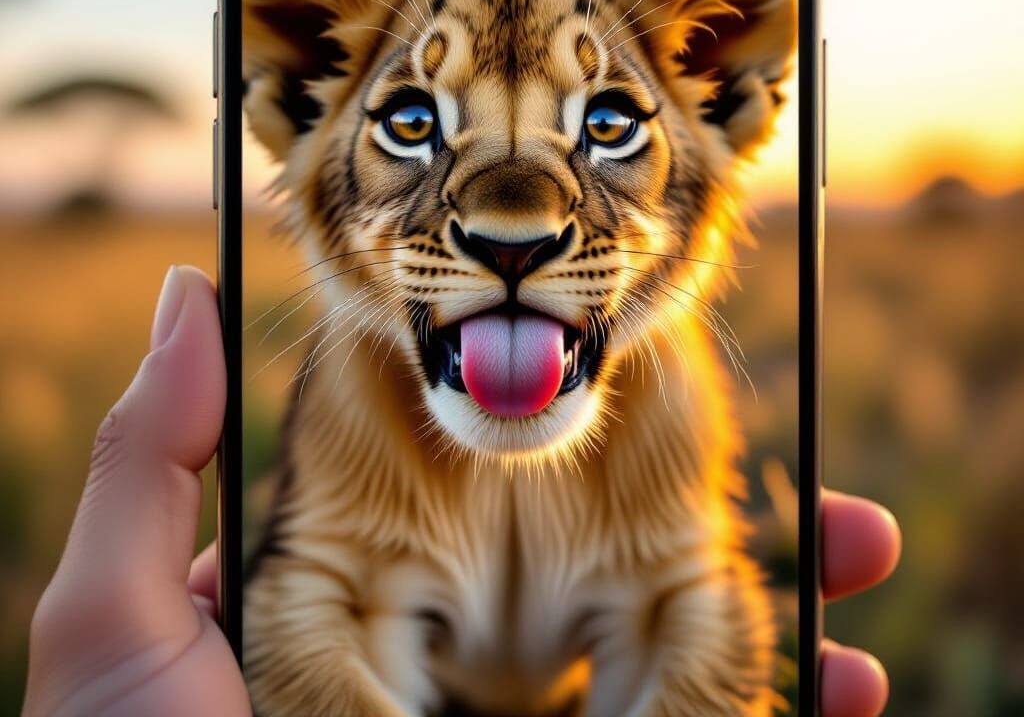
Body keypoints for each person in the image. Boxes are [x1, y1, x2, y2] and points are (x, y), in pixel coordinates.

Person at [22, 267, 901, 717]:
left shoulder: (676, 386)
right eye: (412, 126)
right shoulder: (350, 379)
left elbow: (696, 611)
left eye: (605, 126)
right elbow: (311, 613)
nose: (508, 214)